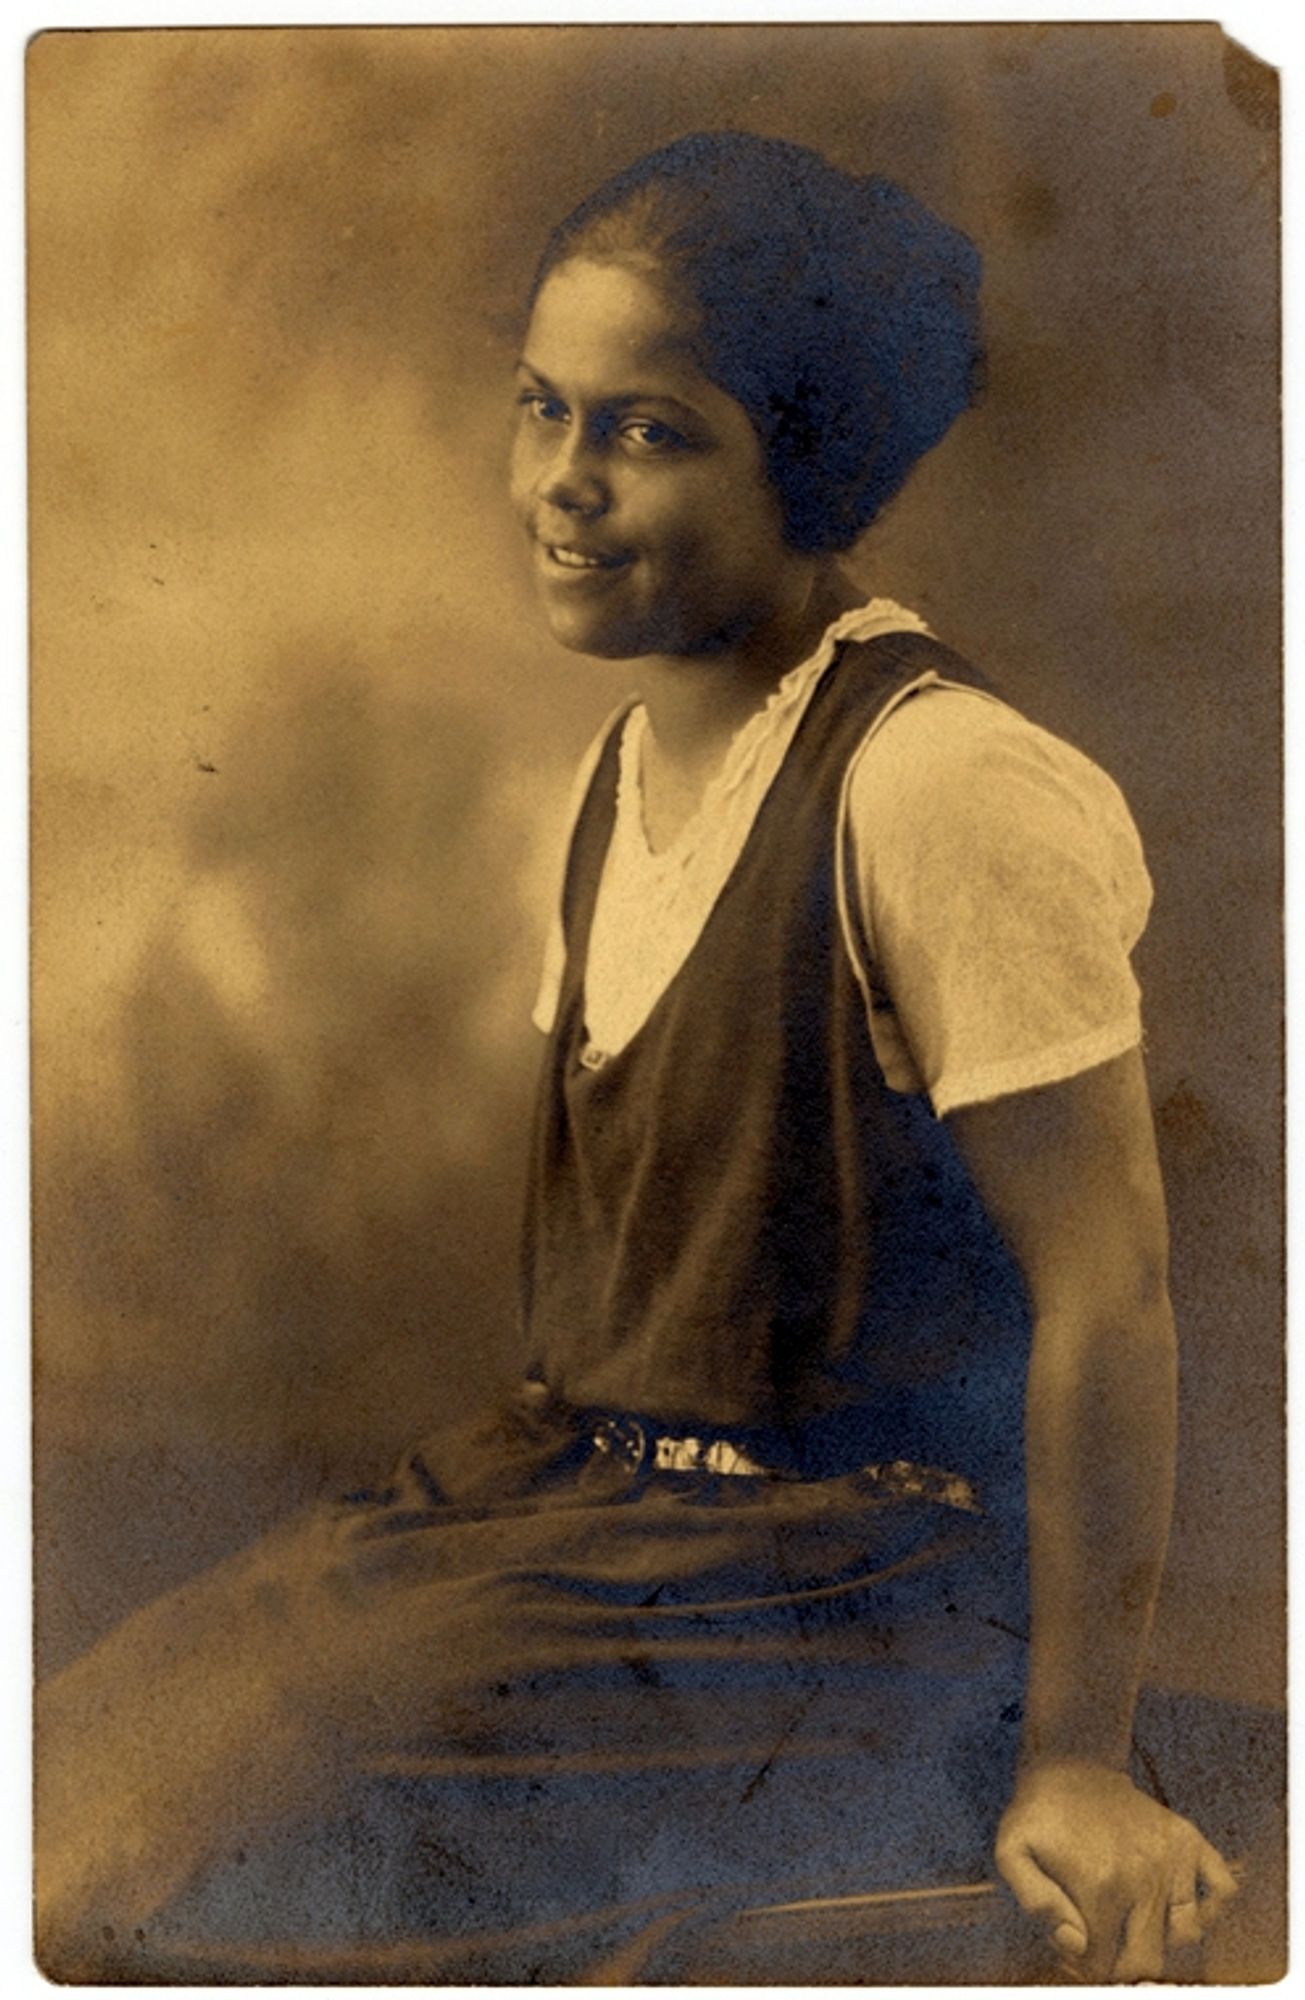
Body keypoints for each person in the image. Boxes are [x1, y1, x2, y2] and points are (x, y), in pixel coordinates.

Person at [37, 130, 1237, 1984]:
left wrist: (1073, 1754)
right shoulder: (623, 768)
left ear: (812, 459)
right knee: (77, 1775)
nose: (560, 488)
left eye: (650, 433)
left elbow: (1111, 1288)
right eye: (541, 410)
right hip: (582, 1521)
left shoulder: (936, 785)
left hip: (839, 1586)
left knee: (197, 1879)